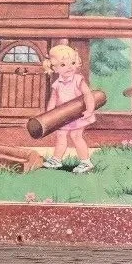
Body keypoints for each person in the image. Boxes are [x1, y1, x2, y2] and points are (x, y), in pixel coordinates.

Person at [41, 45, 96, 174]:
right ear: (54, 68)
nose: (69, 67)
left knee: (76, 136)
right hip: (63, 116)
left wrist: (90, 109)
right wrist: (48, 117)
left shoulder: (78, 79)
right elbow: (53, 101)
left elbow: (88, 95)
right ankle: (56, 160)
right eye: (63, 64)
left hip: (78, 115)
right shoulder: (57, 84)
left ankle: (85, 162)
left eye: (72, 63)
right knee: (61, 136)